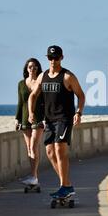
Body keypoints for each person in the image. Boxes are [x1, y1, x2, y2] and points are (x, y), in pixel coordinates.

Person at [28, 45, 85, 199]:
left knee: (60, 148)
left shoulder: (68, 76)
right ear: (47, 58)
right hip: (49, 120)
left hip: (65, 118)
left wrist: (78, 113)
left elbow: (80, 95)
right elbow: (33, 95)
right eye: (50, 58)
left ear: (61, 58)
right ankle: (66, 184)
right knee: (50, 152)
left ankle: (64, 186)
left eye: (56, 58)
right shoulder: (43, 76)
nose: (53, 61)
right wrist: (31, 112)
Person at [15, 58, 45, 186]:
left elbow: (46, 101)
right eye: (30, 67)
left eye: (35, 67)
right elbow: (20, 103)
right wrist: (17, 119)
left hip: (38, 116)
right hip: (24, 118)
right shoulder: (21, 84)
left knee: (33, 146)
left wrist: (45, 118)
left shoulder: (41, 82)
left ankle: (33, 176)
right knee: (29, 148)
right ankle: (34, 176)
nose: (32, 69)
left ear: (38, 69)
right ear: (26, 69)